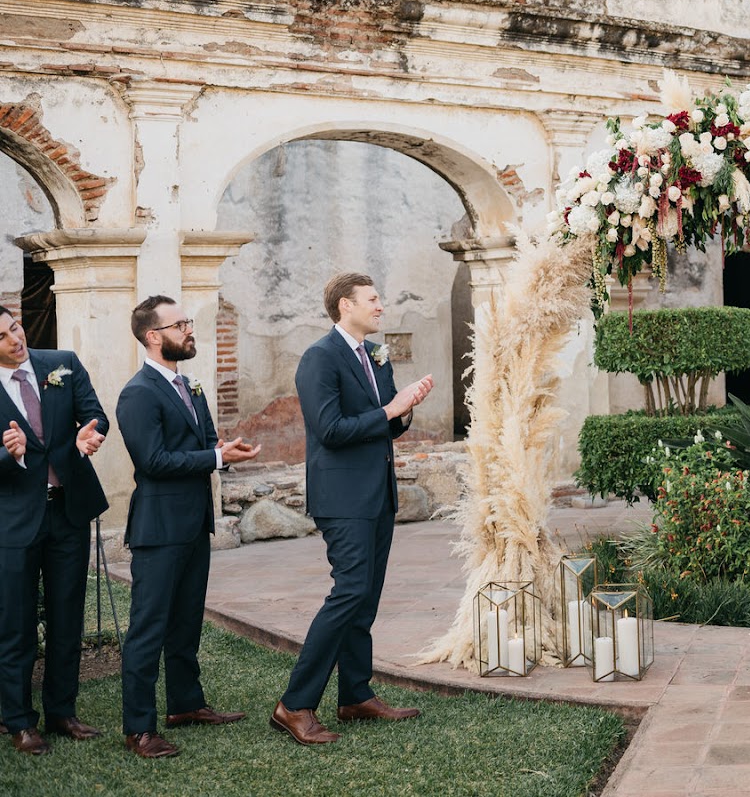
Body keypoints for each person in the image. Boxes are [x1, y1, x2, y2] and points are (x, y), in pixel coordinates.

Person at [271, 273, 435, 745]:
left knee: (365, 597)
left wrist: (404, 410)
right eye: (373, 299)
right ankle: (294, 704)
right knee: (348, 592)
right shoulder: (319, 358)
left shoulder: (375, 357)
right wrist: (390, 410)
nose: (381, 306)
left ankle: (355, 695)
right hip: (342, 498)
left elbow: (383, 424)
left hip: (378, 493)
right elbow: (332, 429)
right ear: (346, 306)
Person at [117, 295, 261, 758]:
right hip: (158, 529)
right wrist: (216, 457)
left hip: (194, 524)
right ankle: (139, 728)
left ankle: (186, 704)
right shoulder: (138, 393)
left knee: (185, 623)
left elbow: (199, 445)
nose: (190, 330)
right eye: (180, 324)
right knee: (148, 628)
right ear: (153, 336)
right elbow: (154, 461)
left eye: (189, 322)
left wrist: (224, 447)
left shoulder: (190, 387)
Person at [0, 306, 109, 755]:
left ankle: (62, 711)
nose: (15, 338)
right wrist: (11, 454)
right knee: (15, 624)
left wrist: (89, 436)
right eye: (4, 337)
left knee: (68, 618)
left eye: (15, 327)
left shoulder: (61, 362)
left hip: (67, 511)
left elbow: (95, 414)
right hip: (12, 522)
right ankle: (20, 720)